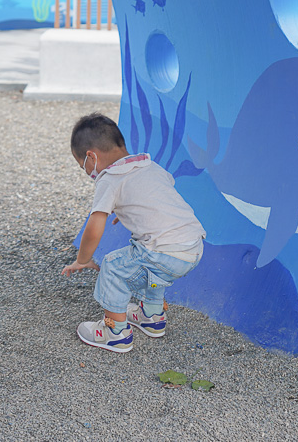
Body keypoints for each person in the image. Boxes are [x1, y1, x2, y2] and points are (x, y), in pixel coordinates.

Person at [62, 113, 206, 353]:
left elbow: (94, 226)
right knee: (146, 262)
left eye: (84, 167)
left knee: (114, 266)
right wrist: (131, 210)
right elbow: (158, 196)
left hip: (165, 252)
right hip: (194, 248)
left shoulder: (110, 179)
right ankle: (151, 316)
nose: (88, 173)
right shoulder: (149, 165)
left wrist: (83, 259)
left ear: (91, 156)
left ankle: (115, 332)